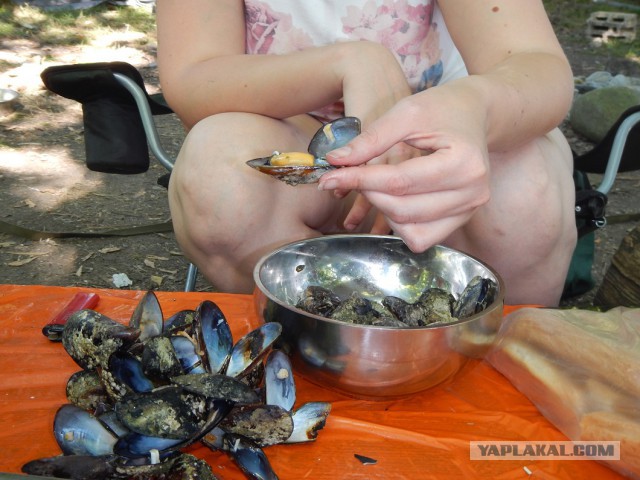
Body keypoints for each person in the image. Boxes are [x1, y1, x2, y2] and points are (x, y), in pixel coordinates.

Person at [156, 0, 576, 306]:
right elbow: (193, 78)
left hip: (456, 140)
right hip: (295, 138)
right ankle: (305, 346)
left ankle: (499, 375)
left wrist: (475, 106)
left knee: (525, 187)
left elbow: (539, 67)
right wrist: (349, 62)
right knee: (220, 175)